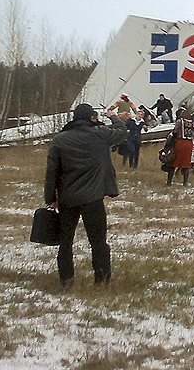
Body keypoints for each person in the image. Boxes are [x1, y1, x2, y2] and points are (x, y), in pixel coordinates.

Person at [44, 104, 129, 289]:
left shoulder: (60, 139)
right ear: (92, 117)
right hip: (93, 198)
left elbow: (52, 171)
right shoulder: (99, 134)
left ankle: (66, 281)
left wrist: (50, 197)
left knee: (65, 242)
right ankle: (101, 280)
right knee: (98, 242)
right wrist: (113, 116)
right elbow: (122, 131)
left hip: (67, 198)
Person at [167, 109, 194, 186]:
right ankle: (185, 182)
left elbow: (175, 131)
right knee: (186, 164)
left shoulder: (180, 122)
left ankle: (169, 182)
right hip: (189, 143)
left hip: (180, 142)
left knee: (173, 161)